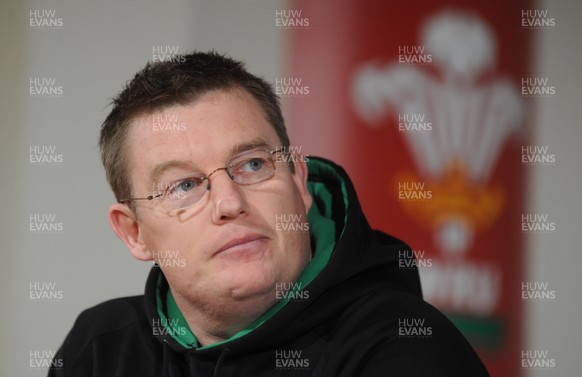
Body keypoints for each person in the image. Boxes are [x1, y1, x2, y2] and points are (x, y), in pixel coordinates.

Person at [49, 51, 489, 376]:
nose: (229, 202)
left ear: (298, 179)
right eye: (184, 186)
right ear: (134, 233)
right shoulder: (100, 350)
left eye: (252, 165)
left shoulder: (406, 349)